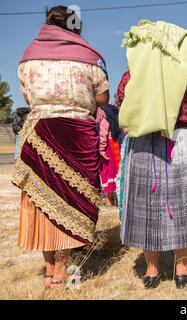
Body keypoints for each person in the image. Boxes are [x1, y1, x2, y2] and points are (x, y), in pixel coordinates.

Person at [12, 6, 109, 289]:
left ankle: (49, 270)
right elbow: (103, 98)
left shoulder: (28, 56)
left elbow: (28, 94)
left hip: (40, 129)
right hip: (75, 133)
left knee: (40, 202)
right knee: (71, 201)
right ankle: (62, 272)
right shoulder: (89, 58)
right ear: (76, 26)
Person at [119, 20, 187, 290]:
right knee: (182, 207)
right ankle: (182, 270)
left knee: (145, 207)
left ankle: (151, 271)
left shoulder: (132, 74)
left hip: (143, 143)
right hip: (181, 142)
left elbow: (122, 106)